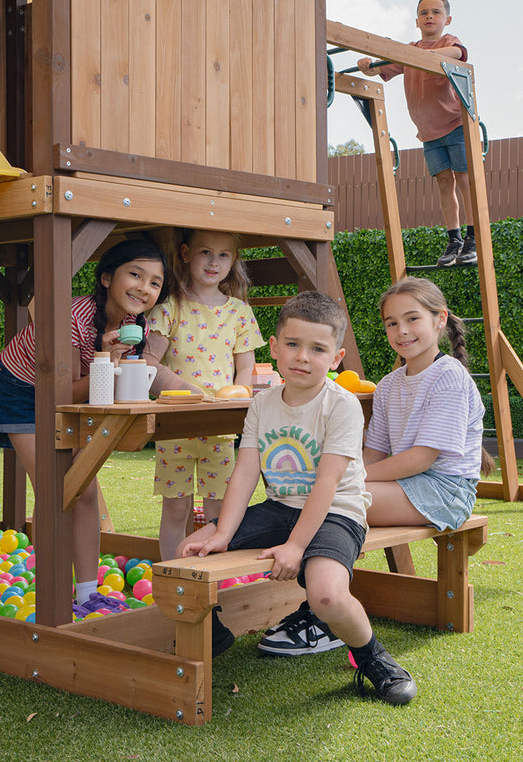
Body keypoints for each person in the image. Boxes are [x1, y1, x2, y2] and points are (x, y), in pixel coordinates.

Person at [179, 292, 417, 705]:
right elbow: (246, 471)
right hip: (280, 508)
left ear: (336, 356)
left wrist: (296, 546)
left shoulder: (341, 406)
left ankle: (373, 658)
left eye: (317, 348)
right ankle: (214, 635)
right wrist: (222, 531)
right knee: (191, 550)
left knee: (326, 595)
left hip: (336, 513)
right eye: (292, 344)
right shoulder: (262, 402)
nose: (302, 357)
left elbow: (326, 485)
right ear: (273, 347)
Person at [260, 276, 490, 659]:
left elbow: (422, 458)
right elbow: (372, 453)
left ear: (439, 320)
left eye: (412, 319)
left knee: (329, 501)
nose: (402, 331)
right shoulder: (387, 385)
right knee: (319, 497)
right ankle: (325, 602)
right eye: (391, 323)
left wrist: (345, 482)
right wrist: (346, 479)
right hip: (401, 486)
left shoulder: (450, 376)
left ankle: (323, 616)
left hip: (444, 491)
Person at [0, 238, 170, 618]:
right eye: (134, 274)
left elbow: (112, 387)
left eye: (154, 282)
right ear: (106, 278)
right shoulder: (74, 317)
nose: (144, 287)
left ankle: (87, 595)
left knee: (82, 492)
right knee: (57, 491)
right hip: (24, 390)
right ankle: (54, 593)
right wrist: (106, 360)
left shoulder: (138, 325)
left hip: (75, 398)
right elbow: (61, 391)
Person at [144, 229, 265, 560]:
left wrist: (238, 409)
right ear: (185, 254)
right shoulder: (169, 308)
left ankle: (213, 580)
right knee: (175, 511)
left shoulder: (239, 312)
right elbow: (148, 362)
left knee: (219, 513)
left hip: (220, 429)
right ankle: (173, 574)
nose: (214, 262)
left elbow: (245, 371)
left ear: (233, 261)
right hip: (175, 428)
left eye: (224, 255)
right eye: (205, 253)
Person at [357, 0, 475, 268]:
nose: (430, 17)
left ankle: (473, 236)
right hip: (429, 133)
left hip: (456, 125)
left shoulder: (447, 43)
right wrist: (368, 65)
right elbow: (380, 69)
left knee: (465, 179)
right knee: (444, 183)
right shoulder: (408, 51)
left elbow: (458, 55)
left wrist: (420, 55)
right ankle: (454, 238)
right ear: (417, 21)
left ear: (447, 20)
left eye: (436, 12)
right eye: (424, 13)